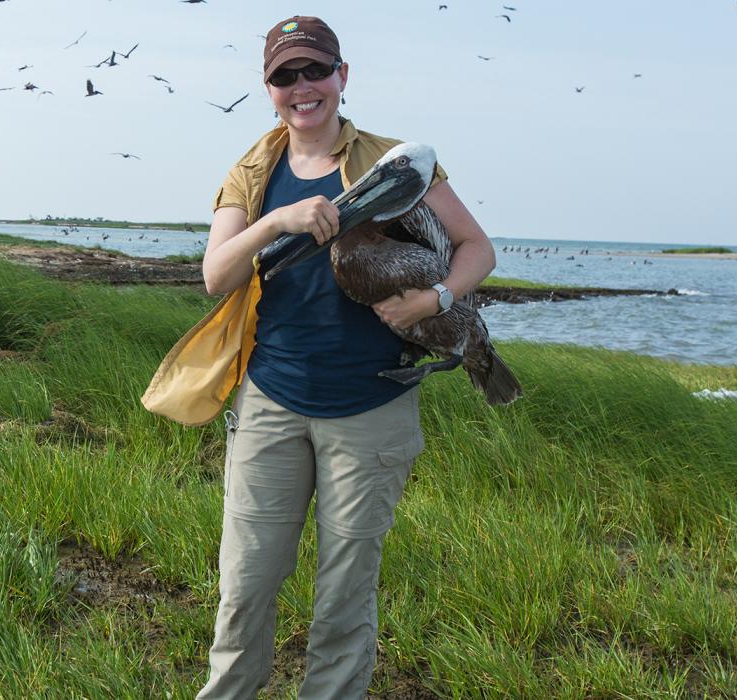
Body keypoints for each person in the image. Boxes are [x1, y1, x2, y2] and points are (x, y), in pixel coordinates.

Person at [191, 16, 496, 699]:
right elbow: (216, 276)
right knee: (244, 590)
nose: (303, 87)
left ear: (342, 77)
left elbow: (478, 248)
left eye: (315, 71)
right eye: (285, 75)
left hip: (372, 407)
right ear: (269, 89)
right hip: (272, 399)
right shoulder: (253, 170)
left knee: (343, 599)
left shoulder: (396, 165)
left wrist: (435, 300)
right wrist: (277, 222)